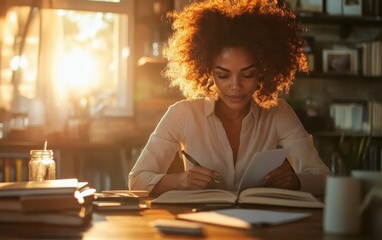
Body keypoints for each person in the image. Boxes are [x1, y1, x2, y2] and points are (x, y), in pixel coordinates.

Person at [129, 0, 331, 197]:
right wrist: (180, 181)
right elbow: (137, 179)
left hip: (262, 225)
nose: (236, 86)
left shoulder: (278, 112)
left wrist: (296, 181)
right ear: (208, 73)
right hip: (201, 222)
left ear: (262, 72)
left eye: (247, 74)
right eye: (223, 75)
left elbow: (324, 179)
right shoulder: (182, 113)